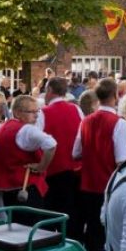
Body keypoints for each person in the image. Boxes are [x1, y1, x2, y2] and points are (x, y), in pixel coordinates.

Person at [74, 78, 126, 251]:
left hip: (88, 184)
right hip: (109, 186)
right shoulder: (119, 123)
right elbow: (123, 160)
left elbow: (75, 152)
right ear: (116, 95)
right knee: (110, 233)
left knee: (92, 232)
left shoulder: (86, 121)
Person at [0, 95, 56, 212]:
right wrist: (41, 167)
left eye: (37, 111)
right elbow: (51, 144)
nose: (36, 115)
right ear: (17, 113)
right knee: (30, 226)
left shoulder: (3, 127)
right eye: (31, 112)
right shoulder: (27, 129)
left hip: (7, 189)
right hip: (26, 188)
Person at [42, 77, 86, 241]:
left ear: (50, 91)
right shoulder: (76, 109)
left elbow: (38, 142)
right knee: (72, 215)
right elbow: (81, 137)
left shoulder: (43, 112)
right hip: (74, 170)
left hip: (52, 171)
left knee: (51, 215)